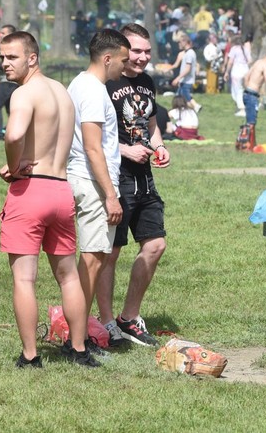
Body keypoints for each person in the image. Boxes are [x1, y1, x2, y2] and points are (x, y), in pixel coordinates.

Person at [0, 31, 100, 368]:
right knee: (68, 276)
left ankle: (30, 356)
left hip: (30, 190)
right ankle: (79, 349)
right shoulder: (62, 93)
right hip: (60, 190)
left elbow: (14, 134)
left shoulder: (25, 93)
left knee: (24, 278)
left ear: (32, 58)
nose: (4, 63)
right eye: (2, 57)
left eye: (12, 57)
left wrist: (14, 166)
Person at [97, 23, 171, 347]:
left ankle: (129, 318)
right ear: (122, 50)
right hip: (116, 177)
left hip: (144, 178)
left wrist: (160, 146)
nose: (142, 57)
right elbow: (90, 138)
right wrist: (125, 150)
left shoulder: (147, 82)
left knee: (155, 245)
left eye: (147, 51)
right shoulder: (105, 83)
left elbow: (151, 124)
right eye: (136, 51)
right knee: (110, 252)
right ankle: (106, 323)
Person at [66, 29, 130, 356]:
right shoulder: (92, 90)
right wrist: (110, 195)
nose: (125, 66)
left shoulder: (79, 84)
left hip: (85, 180)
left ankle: (79, 334)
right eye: (123, 60)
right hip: (92, 183)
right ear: (107, 58)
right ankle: (77, 341)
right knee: (91, 262)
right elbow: (93, 147)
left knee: (94, 260)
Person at [0, 24, 18, 140]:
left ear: (10, 34)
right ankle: (13, 131)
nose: (0, 35)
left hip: (8, 82)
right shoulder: (5, 45)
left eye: (3, 33)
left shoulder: (13, 47)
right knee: (10, 110)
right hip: (7, 81)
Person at [171, 33, 202, 112]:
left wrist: (177, 78)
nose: (179, 44)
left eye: (180, 42)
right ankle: (186, 110)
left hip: (187, 81)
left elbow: (187, 69)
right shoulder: (187, 53)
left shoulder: (190, 54)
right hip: (184, 80)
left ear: (185, 42)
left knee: (185, 98)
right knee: (181, 99)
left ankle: (196, 106)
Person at [223, 34, 251, 116]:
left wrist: (227, 72)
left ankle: (241, 108)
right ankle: (244, 106)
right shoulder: (246, 49)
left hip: (236, 71)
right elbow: (250, 60)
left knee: (237, 90)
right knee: (243, 89)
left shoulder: (234, 49)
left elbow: (230, 62)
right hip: (245, 70)